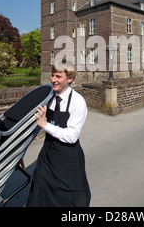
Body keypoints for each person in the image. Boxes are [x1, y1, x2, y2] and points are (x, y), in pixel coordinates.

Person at [26, 62, 91, 207]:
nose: (53, 79)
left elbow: (72, 136)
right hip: (48, 155)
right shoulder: (48, 97)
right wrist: (20, 152)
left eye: (58, 76)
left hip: (69, 159)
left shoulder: (78, 102)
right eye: (52, 75)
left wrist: (45, 125)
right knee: (38, 193)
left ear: (70, 79)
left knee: (71, 199)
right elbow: (37, 124)